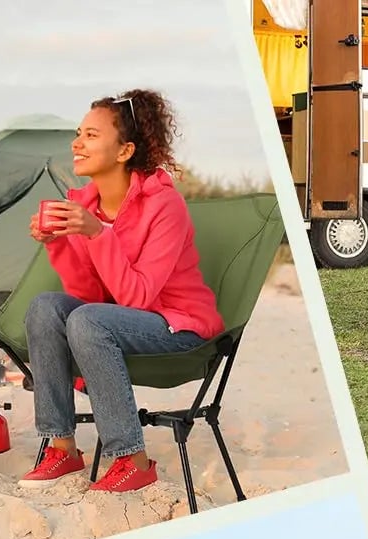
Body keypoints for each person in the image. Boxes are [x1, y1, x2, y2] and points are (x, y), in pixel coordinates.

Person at [18, 90, 223, 497]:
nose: (77, 143)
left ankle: (133, 460)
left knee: (87, 318)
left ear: (125, 150)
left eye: (91, 135)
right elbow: (88, 294)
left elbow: (139, 297)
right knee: (45, 307)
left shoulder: (164, 206)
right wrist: (57, 241)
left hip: (177, 326)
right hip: (112, 322)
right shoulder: (85, 205)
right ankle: (62, 447)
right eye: (78, 133)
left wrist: (97, 234)